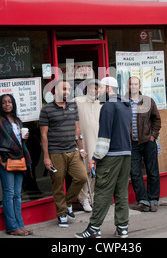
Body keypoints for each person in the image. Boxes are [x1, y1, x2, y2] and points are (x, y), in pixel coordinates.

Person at [76, 76, 132, 238]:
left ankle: (94, 228)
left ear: (108, 89)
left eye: (100, 88)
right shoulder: (125, 105)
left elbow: (104, 136)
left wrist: (94, 158)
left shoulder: (108, 106)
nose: (97, 91)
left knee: (102, 191)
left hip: (111, 155)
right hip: (125, 153)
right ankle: (122, 227)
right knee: (121, 192)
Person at [40, 80, 88, 228]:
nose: (67, 92)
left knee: (82, 177)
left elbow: (77, 129)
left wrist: (80, 148)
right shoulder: (47, 110)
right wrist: (46, 157)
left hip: (72, 149)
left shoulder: (73, 105)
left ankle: (67, 203)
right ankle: (61, 214)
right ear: (56, 91)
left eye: (68, 89)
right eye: (64, 89)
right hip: (55, 152)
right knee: (58, 184)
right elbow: (43, 135)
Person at [0, 94, 33, 236]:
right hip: (6, 162)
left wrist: (24, 139)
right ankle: (12, 227)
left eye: (10, 102)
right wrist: (0, 160)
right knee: (9, 193)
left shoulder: (17, 121)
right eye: (4, 102)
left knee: (17, 195)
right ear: (0, 105)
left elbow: (17, 142)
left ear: (13, 104)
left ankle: (20, 225)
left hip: (19, 160)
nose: (7, 104)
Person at [126, 76, 162, 212]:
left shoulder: (148, 101)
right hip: (132, 144)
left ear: (139, 86)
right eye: (131, 84)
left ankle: (153, 200)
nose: (133, 86)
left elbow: (157, 120)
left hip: (148, 142)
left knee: (152, 171)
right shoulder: (124, 102)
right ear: (128, 86)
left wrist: (153, 136)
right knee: (135, 172)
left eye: (136, 84)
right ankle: (143, 201)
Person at [74, 79, 102, 212]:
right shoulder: (78, 101)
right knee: (86, 171)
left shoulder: (100, 104)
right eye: (91, 88)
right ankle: (83, 198)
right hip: (84, 141)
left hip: (97, 141)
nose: (93, 91)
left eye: (96, 88)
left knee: (96, 171)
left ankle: (92, 198)